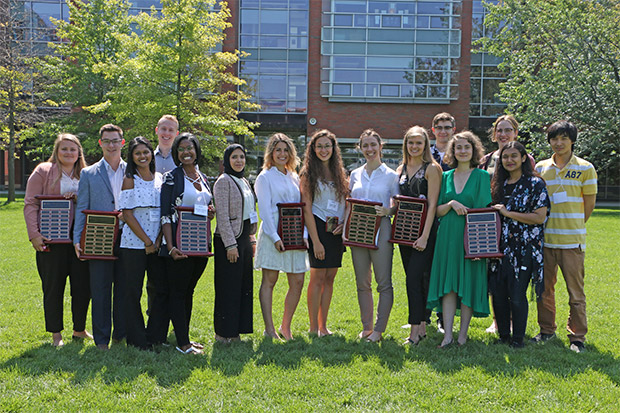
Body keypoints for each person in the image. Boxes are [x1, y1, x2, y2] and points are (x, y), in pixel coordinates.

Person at [531, 120, 597, 353]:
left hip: (572, 242)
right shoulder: (540, 168)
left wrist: (573, 223)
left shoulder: (585, 168)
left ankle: (577, 337)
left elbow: (588, 205)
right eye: (554, 138)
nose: (558, 143)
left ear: (572, 140)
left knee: (575, 293)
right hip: (545, 241)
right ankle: (547, 330)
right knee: (544, 290)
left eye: (563, 138)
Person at [24, 133, 92, 347]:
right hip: (51, 240)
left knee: (82, 286)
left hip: (79, 239)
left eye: (73, 149)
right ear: (57, 151)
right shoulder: (43, 171)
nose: (69, 153)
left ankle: (79, 329)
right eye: (64, 149)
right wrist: (34, 235)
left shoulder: (86, 174)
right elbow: (30, 204)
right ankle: (56, 334)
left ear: (79, 152)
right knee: (53, 287)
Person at [426, 131, 491, 347]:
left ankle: (462, 335)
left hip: (472, 236)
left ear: (474, 150)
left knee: (468, 283)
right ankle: (448, 335)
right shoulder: (445, 176)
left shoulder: (482, 176)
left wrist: (479, 247)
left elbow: (483, 211)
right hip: (447, 238)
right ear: (452, 151)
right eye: (458, 147)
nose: (462, 151)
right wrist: (451, 203)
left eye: (466, 147)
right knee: (449, 285)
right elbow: (436, 211)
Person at [479, 115, 536, 334]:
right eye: (499, 130)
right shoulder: (485, 160)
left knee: (514, 275)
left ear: (516, 133)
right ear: (494, 135)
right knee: (495, 274)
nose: (503, 134)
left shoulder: (525, 158)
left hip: (517, 225)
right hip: (492, 223)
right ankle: (498, 320)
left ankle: (513, 321)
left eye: (508, 130)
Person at [490, 141, 550, 348]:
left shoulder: (535, 183)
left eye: (514, 156)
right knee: (498, 293)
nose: (509, 160)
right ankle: (504, 336)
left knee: (516, 294)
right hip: (498, 247)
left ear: (523, 158)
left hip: (525, 248)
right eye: (505, 157)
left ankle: (518, 339)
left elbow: (539, 217)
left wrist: (508, 214)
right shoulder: (498, 184)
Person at [74, 124, 127, 351]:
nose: (111, 145)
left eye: (115, 140)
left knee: (125, 288)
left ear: (122, 142)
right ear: (100, 144)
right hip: (98, 236)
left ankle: (121, 335)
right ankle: (102, 340)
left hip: (128, 236)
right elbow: (81, 207)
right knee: (100, 289)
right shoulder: (88, 173)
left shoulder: (133, 170)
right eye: (107, 141)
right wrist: (78, 238)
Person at [160, 132, 213, 355]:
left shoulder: (204, 178)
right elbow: (165, 214)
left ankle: (186, 338)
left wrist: (210, 214)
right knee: (178, 293)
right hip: (180, 247)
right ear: (176, 153)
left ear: (197, 150)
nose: (186, 152)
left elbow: (205, 209)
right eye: (181, 149)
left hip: (200, 246)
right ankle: (182, 344)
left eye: (189, 148)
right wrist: (171, 247)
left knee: (188, 291)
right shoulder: (172, 177)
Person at [346, 129, 399, 343]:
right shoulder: (355, 174)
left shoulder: (391, 175)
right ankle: (366, 327)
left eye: (373, 145)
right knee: (362, 282)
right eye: (365, 145)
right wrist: (345, 230)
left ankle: (379, 329)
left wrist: (389, 211)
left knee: (383, 282)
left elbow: (398, 204)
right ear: (361, 148)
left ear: (380, 146)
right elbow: (349, 202)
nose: (369, 149)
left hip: (382, 228)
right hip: (358, 229)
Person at [255, 133, 309, 341]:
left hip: (295, 233)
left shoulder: (294, 176)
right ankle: (269, 329)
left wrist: (304, 234)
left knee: (298, 280)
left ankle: (285, 327)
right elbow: (265, 210)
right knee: (270, 280)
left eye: (286, 150)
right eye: (278, 150)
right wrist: (274, 236)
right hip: (273, 233)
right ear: (271, 152)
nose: (282, 154)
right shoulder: (264, 177)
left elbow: (301, 207)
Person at [395, 126, 442, 345]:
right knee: (416, 279)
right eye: (410, 142)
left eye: (419, 143)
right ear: (405, 144)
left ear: (425, 145)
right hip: (404, 233)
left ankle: (413, 333)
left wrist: (424, 236)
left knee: (414, 279)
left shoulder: (432, 169)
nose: (414, 147)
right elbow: (397, 202)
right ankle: (422, 326)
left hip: (425, 232)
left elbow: (432, 205)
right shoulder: (401, 169)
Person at [118, 137, 165, 350]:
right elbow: (127, 215)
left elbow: (164, 212)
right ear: (132, 157)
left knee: (158, 289)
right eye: (138, 153)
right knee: (132, 292)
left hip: (157, 243)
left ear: (151, 154)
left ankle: (154, 335)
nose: (142, 156)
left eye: (146, 152)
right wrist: (146, 241)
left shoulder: (160, 178)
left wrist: (156, 241)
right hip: (134, 244)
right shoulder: (130, 179)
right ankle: (137, 339)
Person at [300, 129, 348, 337]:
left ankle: (323, 326)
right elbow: (306, 208)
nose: (323, 149)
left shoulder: (340, 173)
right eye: (319, 146)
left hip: (335, 230)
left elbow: (345, 201)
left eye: (327, 145)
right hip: (318, 228)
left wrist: (344, 223)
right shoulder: (307, 174)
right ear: (313, 149)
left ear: (333, 148)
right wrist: (316, 241)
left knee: (330, 278)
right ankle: (312, 327)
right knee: (317, 278)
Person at [212, 144, 258, 344]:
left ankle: (236, 331)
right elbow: (221, 216)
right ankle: (223, 333)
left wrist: (251, 237)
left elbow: (249, 211)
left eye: (241, 157)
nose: (239, 161)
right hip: (228, 240)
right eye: (234, 157)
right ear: (226, 160)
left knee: (243, 286)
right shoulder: (224, 181)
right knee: (227, 287)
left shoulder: (245, 181)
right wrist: (231, 245)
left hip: (244, 238)